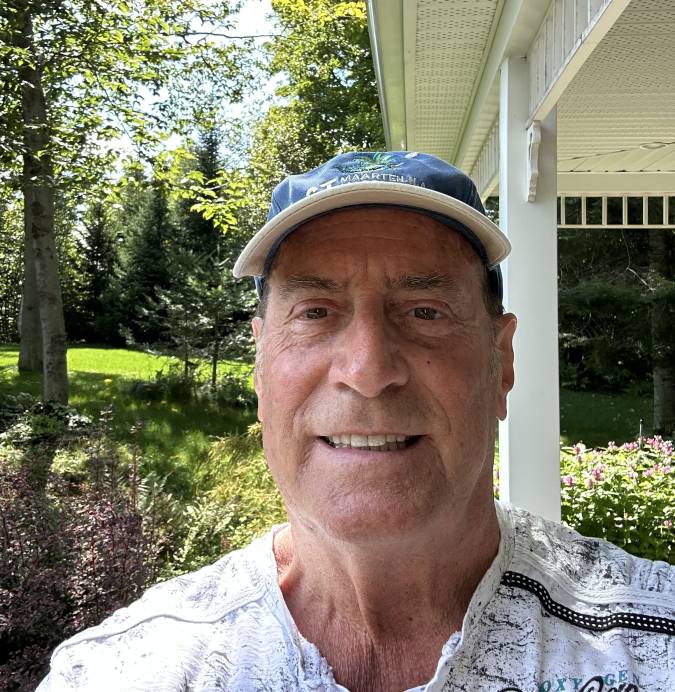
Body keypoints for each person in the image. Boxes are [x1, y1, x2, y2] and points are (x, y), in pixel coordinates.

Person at [39, 151, 674, 692]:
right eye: (315, 312)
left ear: (500, 362)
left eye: (425, 311)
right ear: (260, 367)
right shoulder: (126, 670)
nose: (368, 370)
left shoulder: (651, 643)